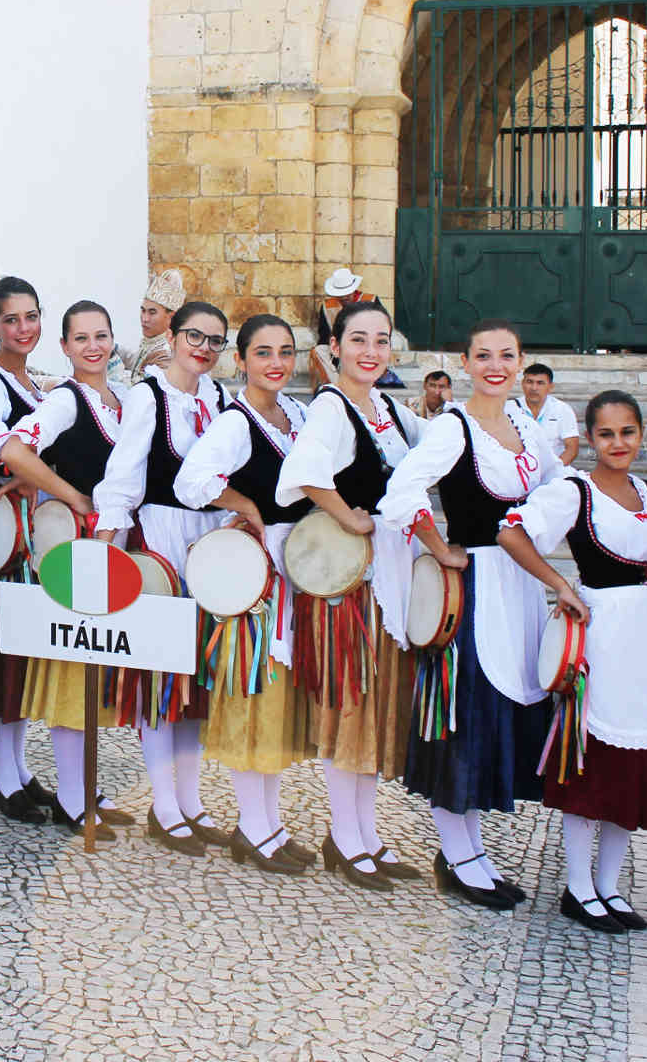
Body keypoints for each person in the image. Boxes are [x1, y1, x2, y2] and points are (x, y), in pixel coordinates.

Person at [497, 391, 647, 934]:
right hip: (602, 634)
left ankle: (610, 886)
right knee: (592, 760)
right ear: (589, 438)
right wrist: (561, 585)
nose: (618, 444)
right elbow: (511, 532)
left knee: (636, 762)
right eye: (607, 434)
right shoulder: (574, 491)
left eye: (628, 433)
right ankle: (578, 887)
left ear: (641, 435)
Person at [377, 318, 564, 911]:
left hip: (522, 585)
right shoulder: (453, 428)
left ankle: (470, 848)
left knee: (502, 709)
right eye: (483, 355)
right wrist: (439, 549)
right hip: (476, 588)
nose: (495, 365)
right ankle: (460, 855)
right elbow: (402, 492)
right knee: (464, 715)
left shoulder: (526, 428)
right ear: (464, 361)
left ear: (521, 359)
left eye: (506, 355)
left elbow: (562, 491)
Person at [275, 300, 426, 891]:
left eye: (381, 340)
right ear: (333, 347)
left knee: (379, 702)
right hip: (354, 581)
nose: (370, 351)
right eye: (358, 339)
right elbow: (305, 475)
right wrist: (349, 517)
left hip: (391, 571)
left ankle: (366, 833)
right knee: (354, 703)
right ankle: (343, 836)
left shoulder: (387, 408)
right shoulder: (332, 409)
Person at [93, 300, 238, 856]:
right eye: (194, 336)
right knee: (160, 675)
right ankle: (163, 803)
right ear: (173, 338)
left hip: (213, 545)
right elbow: (124, 477)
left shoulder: (221, 400)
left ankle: (192, 799)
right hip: (161, 540)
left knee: (197, 676)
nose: (203, 348)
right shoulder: (147, 396)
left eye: (214, 340)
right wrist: (108, 551)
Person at [175, 315, 316, 873]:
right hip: (257, 574)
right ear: (241, 361)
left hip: (295, 567)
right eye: (263, 353)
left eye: (285, 351)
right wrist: (245, 505)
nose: (276, 362)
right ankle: (252, 829)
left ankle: (271, 824)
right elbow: (192, 481)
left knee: (277, 699)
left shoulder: (298, 414)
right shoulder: (236, 423)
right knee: (254, 693)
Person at [0, 300, 135, 837]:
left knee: (99, 665)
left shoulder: (120, 399)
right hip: (79, 549)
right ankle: (74, 796)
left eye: (101, 335)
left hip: (115, 545)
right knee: (75, 665)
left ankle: (88, 786)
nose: (93, 347)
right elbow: (14, 449)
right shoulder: (66, 400)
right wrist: (73, 496)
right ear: (65, 347)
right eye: (81, 339)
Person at [0, 277, 56, 825]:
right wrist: (14, 471)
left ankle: (17, 767)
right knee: (9, 646)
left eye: (32, 317)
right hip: (8, 532)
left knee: (25, 646)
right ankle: (3, 774)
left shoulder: (38, 385)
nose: (24, 329)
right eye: (11, 320)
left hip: (33, 529)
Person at [115, 268, 183, 385]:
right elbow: (137, 361)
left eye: (152, 312)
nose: (144, 319)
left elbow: (141, 390)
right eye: (143, 311)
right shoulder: (152, 342)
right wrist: (112, 347)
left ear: (171, 316)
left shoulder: (166, 353)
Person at [520, 362, 580, 467]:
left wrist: (553, 470)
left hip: (554, 471)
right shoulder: (511, 408)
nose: (534, 388)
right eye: (529, 382)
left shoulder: (562, 409)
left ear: (550, 386)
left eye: (540, 383)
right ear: (522, 384)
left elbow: (572, 449)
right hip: (520, 472)